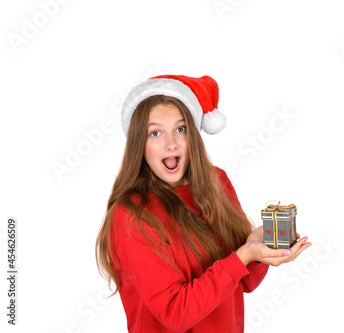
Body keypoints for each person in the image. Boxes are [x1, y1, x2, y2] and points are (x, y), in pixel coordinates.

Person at [95, 75, 311, 332]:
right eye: (155, 133)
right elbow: (175, 314)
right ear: (138, 145)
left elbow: (244, 282)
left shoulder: (216, 180)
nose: (171, 143)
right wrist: (244, 255)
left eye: (181, 129)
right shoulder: (132, 215)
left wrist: (256, 248)